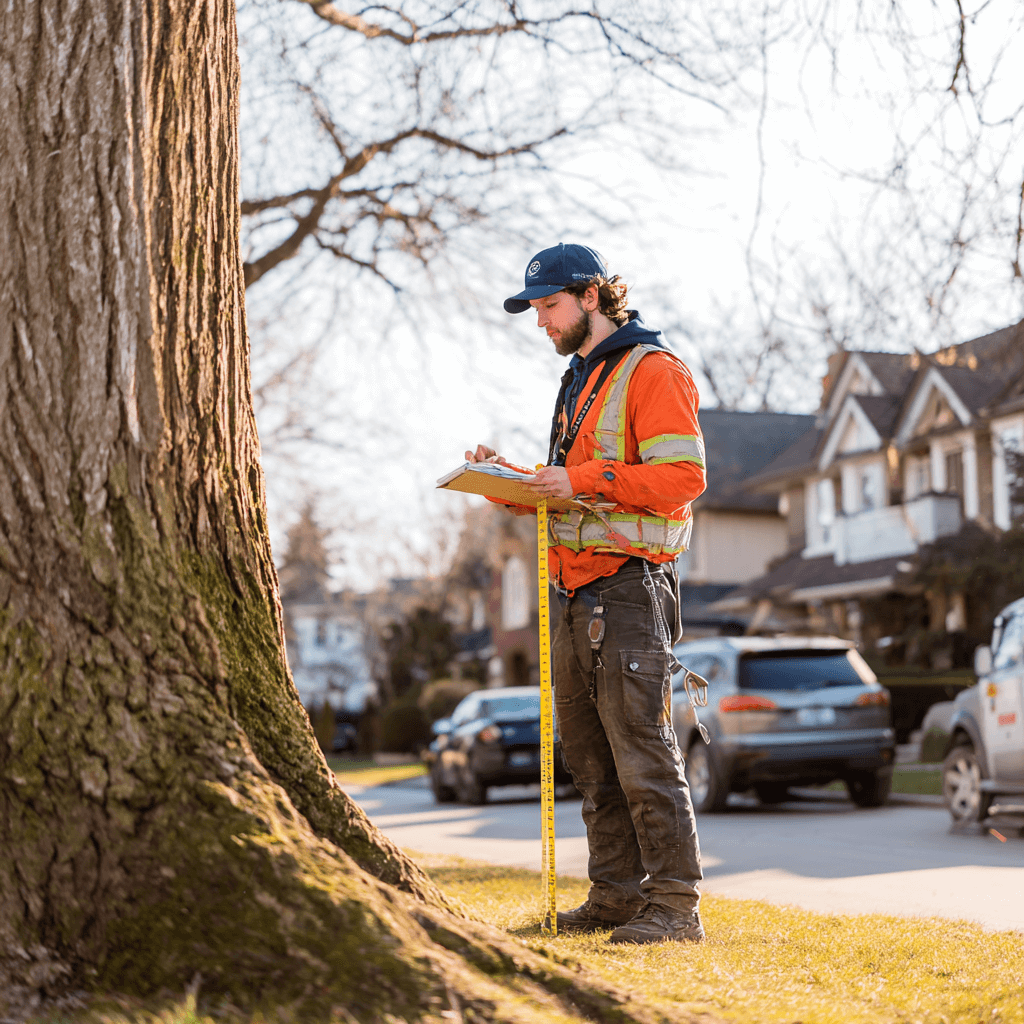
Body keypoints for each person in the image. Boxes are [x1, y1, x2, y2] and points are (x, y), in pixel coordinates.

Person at [465, 242, 707, 944]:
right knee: (589, 757)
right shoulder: (579, 381)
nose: (540, 321)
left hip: (628, 587)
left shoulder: (653, 370)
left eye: (548, 306)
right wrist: (511, 481)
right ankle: (614, 898)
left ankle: (674, 907)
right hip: (572, 592)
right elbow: (568, 495)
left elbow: (680, 480)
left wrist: (583, 479)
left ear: (592, 297)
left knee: (641, 749)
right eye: (535, 310)